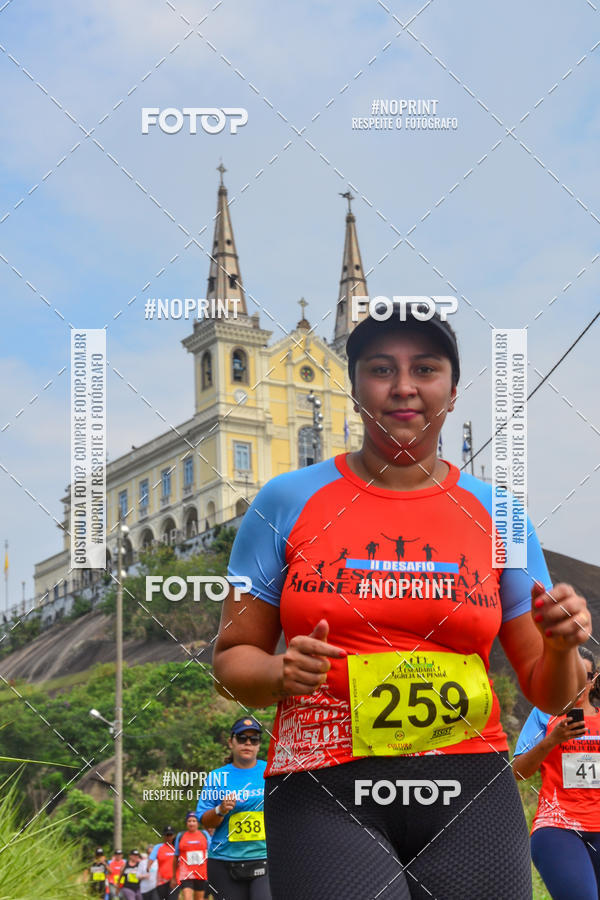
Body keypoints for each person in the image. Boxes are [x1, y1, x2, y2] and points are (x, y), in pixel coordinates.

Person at [212, 302, 592, 899]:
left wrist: (562, 644)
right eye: (381, 369)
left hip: (469, 783)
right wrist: (279, 673)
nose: (404, 387)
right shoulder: (283, 501)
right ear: (355, 385)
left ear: (453, 390)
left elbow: (551, 690)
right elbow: (231, 662)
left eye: (426, 369)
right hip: (326, 783)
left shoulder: (503, 515)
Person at [513, 646, 600, 899]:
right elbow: (518, 772)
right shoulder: (544, 715)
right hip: (558, 827)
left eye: (582, 676)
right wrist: (552, 740)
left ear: (593, 680)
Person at [196, 717, 270, 900]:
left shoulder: (270, 772)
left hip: (264, 857)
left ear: (259, 745)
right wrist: (220, 810)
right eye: (242, 738)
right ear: (231, 742)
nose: (248, 743)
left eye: (254, 739)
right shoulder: (216, 777)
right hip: (224, 862)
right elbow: (203, 820)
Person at [172, 812, 208, 900]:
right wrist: (173, 876)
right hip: (186, 873)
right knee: (187, 898)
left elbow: (211, 854)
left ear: (198, 823)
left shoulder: (204, 834)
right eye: (189, 821)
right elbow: (175, 857)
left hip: (201, 873)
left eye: (194, 821)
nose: (191, 823)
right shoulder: (180, 836)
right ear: (186, 823)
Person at [150, 827, 179, 899]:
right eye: (167, 835)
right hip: (162, 881)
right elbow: (151, 859)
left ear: (174, 836)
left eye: (170, 835)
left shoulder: (177, 847)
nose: (168, 837)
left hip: (175, 880)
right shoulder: (158, 847)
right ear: (163, 836)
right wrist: (148, 867)